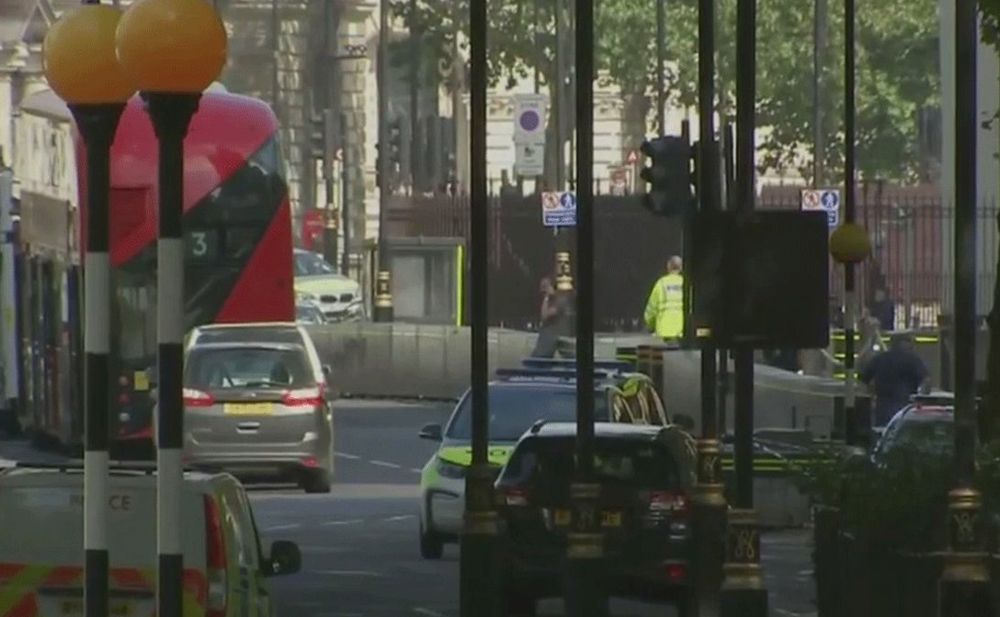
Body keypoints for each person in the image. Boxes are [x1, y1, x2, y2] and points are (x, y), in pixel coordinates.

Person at [860, 332, 930, 426]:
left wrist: (872, 395)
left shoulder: (880, 359)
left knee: (883, 432)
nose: (912, 345)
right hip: (905, 407)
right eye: (909, 341)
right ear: (902, 343)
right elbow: (926, 381)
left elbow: (863, 380)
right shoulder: (913, 360)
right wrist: (920, 400)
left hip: (883, 406)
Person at [530, 276, 575, 358]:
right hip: (549, 337)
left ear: (552, 286)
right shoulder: (547, 301)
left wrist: (546, 298)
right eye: (541, 287)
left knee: (540, 358)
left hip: (557, 336)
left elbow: (545, 316)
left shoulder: (560, 300)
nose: (542, 290)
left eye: (545, 287)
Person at [643, 256, 685, 340]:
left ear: (668, 267)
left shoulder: (661, 284)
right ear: (681, 268)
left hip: (663, 333)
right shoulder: (686, 283)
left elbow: (651, 310)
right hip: (682, 333)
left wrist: (649, 325)